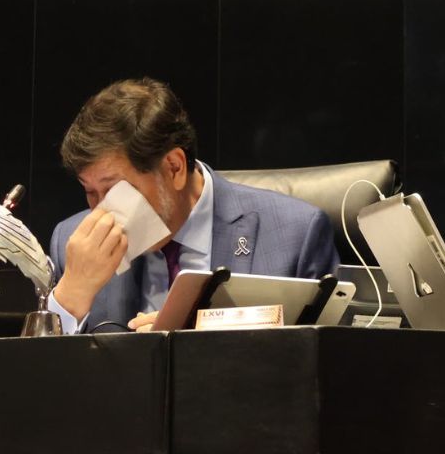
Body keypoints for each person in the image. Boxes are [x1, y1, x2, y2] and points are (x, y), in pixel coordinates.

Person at [48, 78, 339, 333]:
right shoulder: (72, 245)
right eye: (90, 192)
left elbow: (323, 370)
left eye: (114, 190)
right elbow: (41, 382)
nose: (101, 212)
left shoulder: (294, 237)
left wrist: (194, 342)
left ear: (174, 168)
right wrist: (71, 296)